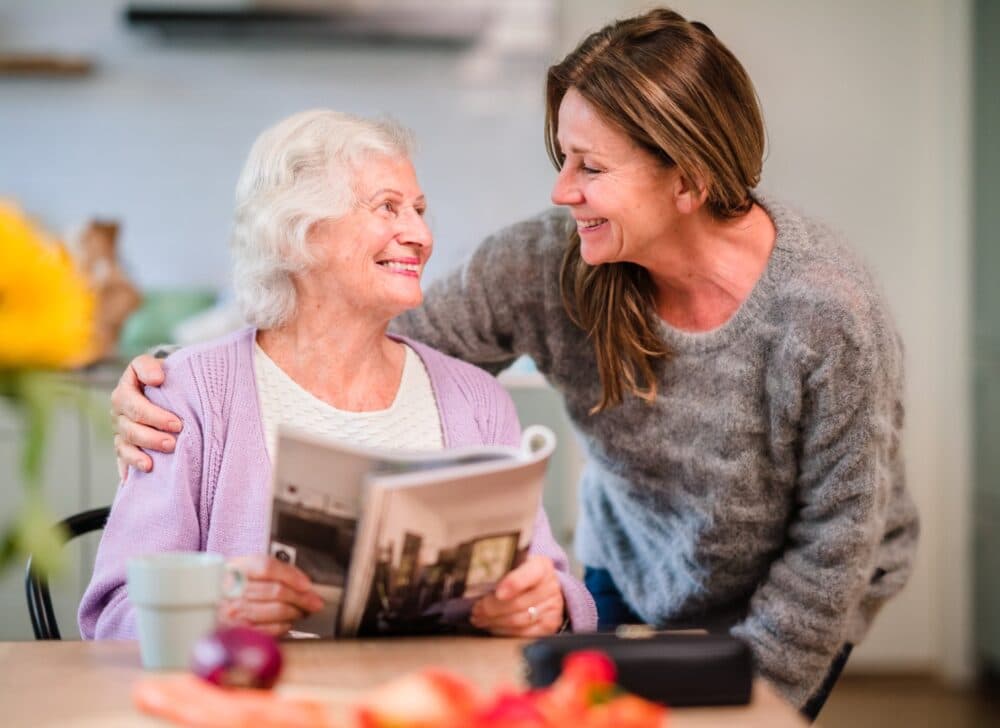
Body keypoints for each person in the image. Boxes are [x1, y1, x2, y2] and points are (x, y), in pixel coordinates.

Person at [107, 8, 918, 719]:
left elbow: (835, 539)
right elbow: (354, 330)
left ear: (689, 179)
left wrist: (751, 699)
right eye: (563, 157)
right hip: (630, 569)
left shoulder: (825, 311)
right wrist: (179, 379)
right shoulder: (548, 262)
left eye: (591, 167)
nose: (562, 192)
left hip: (800, 596)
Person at [80, 109, 596, 641]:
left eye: (419, 210)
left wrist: (542, 606)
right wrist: (212, 615)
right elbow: (116, 609)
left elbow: (552, 586)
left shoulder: (477, 399)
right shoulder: (189, 394)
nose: (419, 233)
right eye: (388, 208)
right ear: (293, 235)